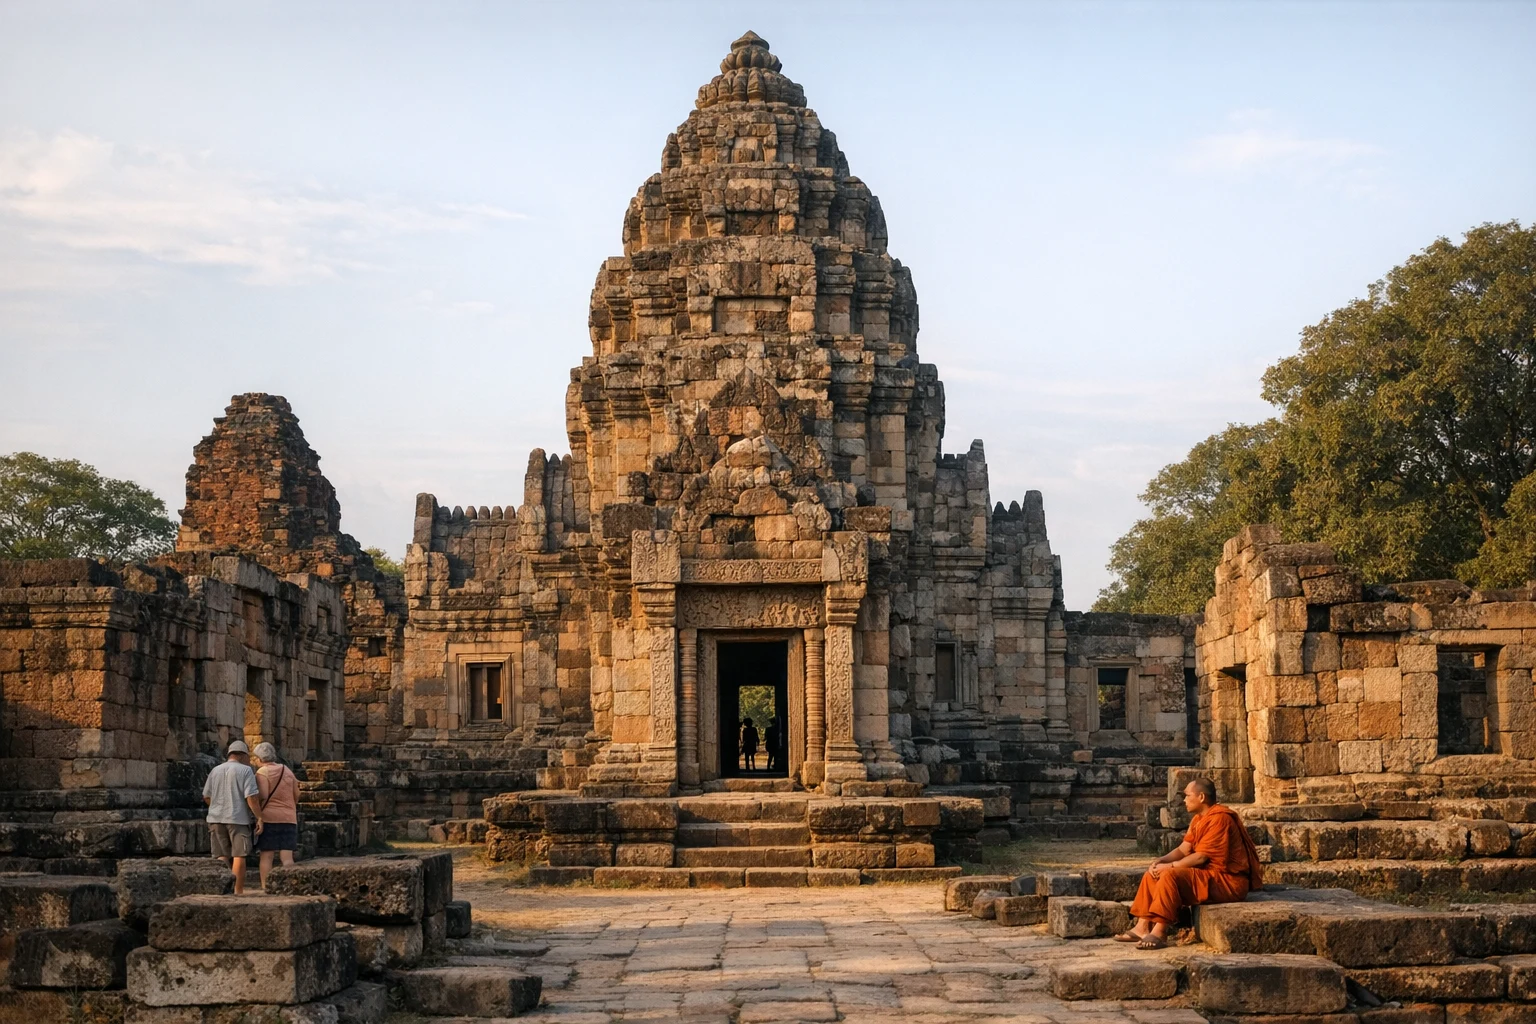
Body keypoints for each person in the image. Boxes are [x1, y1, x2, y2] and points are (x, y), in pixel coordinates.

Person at [1119, 777, 1263, 949]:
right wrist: (1160, 861)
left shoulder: (1220, 819)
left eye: (1187, 795)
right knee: (1153, 873)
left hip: (1227, 882)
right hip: (1208, 876)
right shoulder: (1198, 819)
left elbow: (1201, 857)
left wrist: (1170, 866)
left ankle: (1160, 931)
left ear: (1201, 797)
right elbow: (1184, 849)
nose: (1184, 800)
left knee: (1169, 875)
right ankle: (1142, 927)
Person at [202, 740, 264, 894]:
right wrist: (259, 817)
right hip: (238, 818)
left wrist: (216, 807)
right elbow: (252, 797)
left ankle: (223, 890)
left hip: (216, 817)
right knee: (239, 855)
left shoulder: (215, 770)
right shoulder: (245, 770)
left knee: (221, 855)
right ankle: (238, 890)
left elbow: (206, 796)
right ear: (243, 755)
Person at [252, 742, 299, 890]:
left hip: (269, 818)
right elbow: (297, 794)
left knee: (267, 855)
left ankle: (266, 887)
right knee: (287, 857)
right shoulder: (287, 771)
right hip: (289, 817)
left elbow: (264, 794)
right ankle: (290, 886)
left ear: (259, 758)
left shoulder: (262, 772)